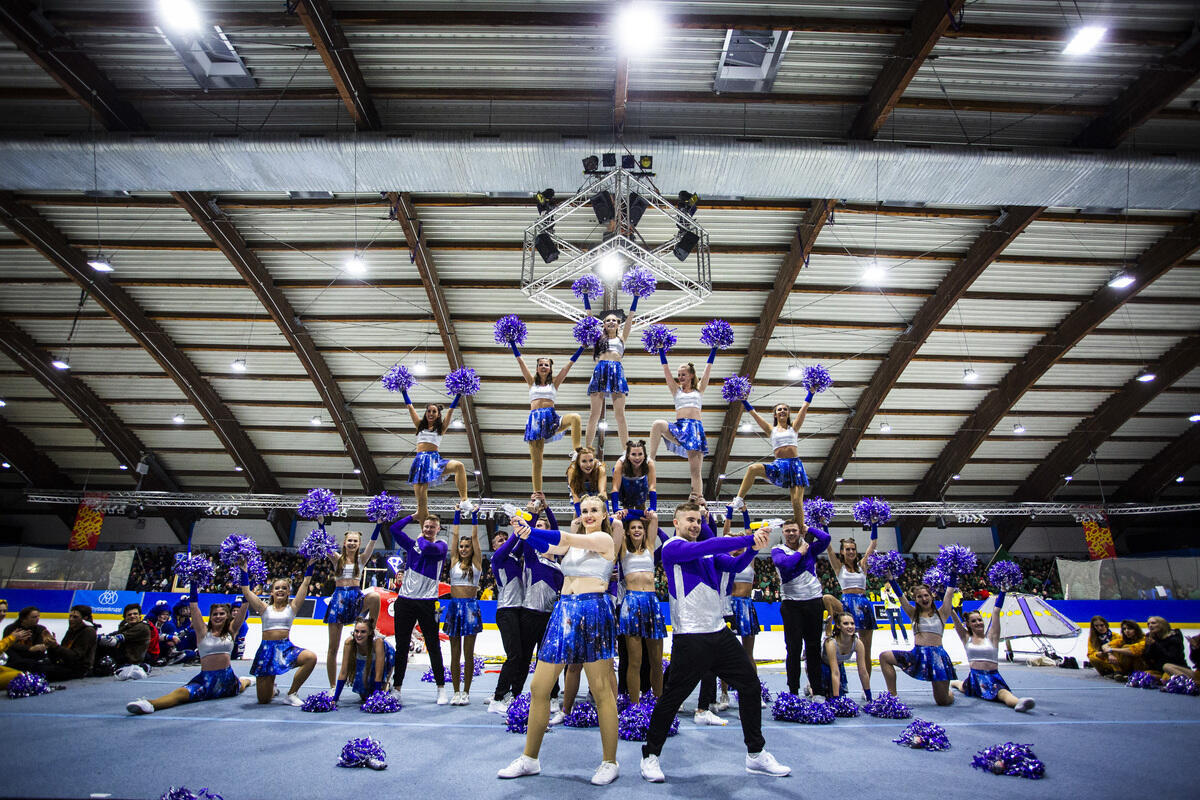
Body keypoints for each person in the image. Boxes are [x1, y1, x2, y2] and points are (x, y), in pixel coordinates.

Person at [639, 501, 788, 783]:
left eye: (698, 521)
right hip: (691, 638)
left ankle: (755, 754)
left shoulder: (709, 555)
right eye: (690, 520)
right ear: (677, 523)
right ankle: (650, 756)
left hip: (719, 633)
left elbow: (734, 563)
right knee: (672, 698)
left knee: (749, 685)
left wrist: (754, 548)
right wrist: (747, 538)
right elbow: (707, 547)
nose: (695, 525)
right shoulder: (673, 548)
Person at [498, 495, 623, 786]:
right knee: (539, 686)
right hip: (563, 611)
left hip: (593, 611)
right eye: (585, 510)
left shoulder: (605, 539)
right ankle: (530, 758)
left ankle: (610, 761)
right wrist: (525, 533)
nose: (589, 514)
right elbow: (551, 546)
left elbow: (563, 537)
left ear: (604, 514)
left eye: (595, 510)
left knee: (602, 689)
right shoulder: (573, 544)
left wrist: (531, 529)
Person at [126, 586, 251, 715]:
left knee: (241, 684)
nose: (218, 616)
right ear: (210, 616)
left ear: (227, 616)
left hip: (227, 679)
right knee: (182, 693)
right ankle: (150, 704)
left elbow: (245, 606)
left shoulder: (232, 631)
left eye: (222, 614)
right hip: (206, 680)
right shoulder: (202, 631)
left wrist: (245, 574)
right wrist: (194, 581)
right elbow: (194, 607)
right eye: (215, 614)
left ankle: (248, 680)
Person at [389, 511, 452, 705]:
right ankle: (397, 687)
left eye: (432, 527)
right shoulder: (413, 544)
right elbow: (393, 529)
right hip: (405, 600)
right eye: (425, 526)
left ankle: (441, 688)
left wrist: (418, 537)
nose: (428, 529)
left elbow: (425, 549)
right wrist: (412, 517)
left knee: (433, 645)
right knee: (402, 646)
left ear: (438, 529)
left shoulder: (441, 546)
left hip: (427, 601)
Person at [511, 340, 583, 499]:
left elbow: (568, 366)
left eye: (547, 365)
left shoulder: (554, 383)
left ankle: (577, 451)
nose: (544, 367)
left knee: (575, 418)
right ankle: (537, 494)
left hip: (551, 420)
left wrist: (582, 347)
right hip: (535, 423)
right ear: (537, 368)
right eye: (541, 365)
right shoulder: (531, 382)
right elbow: (520, 362)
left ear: (550, 369)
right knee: (537, 462)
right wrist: (512, 342)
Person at [243, 560, 319, 706]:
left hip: (285, 648)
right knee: (264, 700)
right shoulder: (264, 608)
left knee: (310, 657)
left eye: (284, 588)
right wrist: (243, 570)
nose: (280, 590)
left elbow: (305, 583)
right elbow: (246, 591)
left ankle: (291, 694)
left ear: (288, 592)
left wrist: (310, 565)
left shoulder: (292, 608)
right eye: (277, 588)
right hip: (266, 651)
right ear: (271, 592)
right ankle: (273, 689)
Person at [728, 396, 813, 525]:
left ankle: (801, 531)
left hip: (795, 465)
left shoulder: (793, 428)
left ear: (789, 413)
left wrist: (810, 393)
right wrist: (743, 400)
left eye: (785, 409)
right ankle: (739, 499)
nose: (782, 411)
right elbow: (754, 414)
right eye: (779, 409)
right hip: (779, 465)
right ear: (775, 414)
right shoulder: (770, 429)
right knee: (753, 468)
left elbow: (804, 408)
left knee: (796, 501)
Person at [772, 520, 831, 697]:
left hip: (813, 602)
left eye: (794, 530)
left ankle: (818, 691)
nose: (791, 533)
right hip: (792, 604)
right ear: (783, 533)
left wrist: (809, 528)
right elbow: (786, 565)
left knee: (813, 648)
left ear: (799, 532)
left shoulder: (810, 548)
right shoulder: (778, 549)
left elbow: (826, 539)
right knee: (793, 648)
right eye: (787, 531)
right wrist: (800, 552)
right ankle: (793, 691)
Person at [878, 580, 956, 706]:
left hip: (938, 658)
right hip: (917, 655)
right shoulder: (913, 613)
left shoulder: (942, 613)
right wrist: (891, 578)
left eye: (926, 595)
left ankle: (950, 692)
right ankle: (892, 697)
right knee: (884, 657)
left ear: (932, 596)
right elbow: (900, 597)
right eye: (919, 596)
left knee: (943, 701)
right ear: (915, 599)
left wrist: (953, 571)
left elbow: (949, 592)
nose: (923, 598)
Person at [401, 391, 477, 522]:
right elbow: (410, 407)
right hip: (419, 463)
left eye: (434, 411)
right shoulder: (419, 426)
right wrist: (404, 391)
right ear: (426, 413)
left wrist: (458, 395)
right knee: (421, 506)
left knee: (459, 466)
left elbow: (451, 411)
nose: (431, 413)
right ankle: (424, 539)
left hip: (434, 461)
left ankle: (464, 500)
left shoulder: (441, 428)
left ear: (438, 414)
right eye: (429, 411)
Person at [322, 527, 382, 687]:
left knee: (375, 597)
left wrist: (378, 524)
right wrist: (321, 522)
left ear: (359, 543)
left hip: (355, 599)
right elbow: (325, 544)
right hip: (339, 601)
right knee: (332, 648)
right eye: (350, 540)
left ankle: (372, 630)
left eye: (355, 541)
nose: (352, 543)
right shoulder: (337, 559)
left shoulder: (362, 559)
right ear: (344, 542)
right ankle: (332, 686)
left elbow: (373, 543)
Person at [949, 599, 1034, 712]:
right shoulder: (966, 638)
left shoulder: (992, 637)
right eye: (973, 621)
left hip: (991, 677)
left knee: (1002, 693)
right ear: (968, 624)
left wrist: (1002, 591)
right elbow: (952, 613)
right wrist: (946, 594)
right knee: (962, 686)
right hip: (974, 677)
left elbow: (996, 611)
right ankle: (953, 682)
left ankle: (1018, 703)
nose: (978, 622)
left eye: (980, 620)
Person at [648, 356, 714, 501]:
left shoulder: (699, 390)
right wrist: (661, 351)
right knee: (657, 424)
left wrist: (714, 349)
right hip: (679, 428)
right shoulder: (676, 391)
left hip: (695, 431)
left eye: (683, 374)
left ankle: (698, 497)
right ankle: (651, 460)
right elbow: (666, 373)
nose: (680, 377)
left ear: (691, 375)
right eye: (678, 375)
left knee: (695, 470)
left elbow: (708, 370)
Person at [617, 511, 665, 703]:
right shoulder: (623, 550)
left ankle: (659, 702)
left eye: (639, 527)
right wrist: (621, 517)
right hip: (631, 602)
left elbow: (654, 518)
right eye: (633, 528)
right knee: (634, 661)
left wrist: (645, 515)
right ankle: (635, 705)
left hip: (652, 602)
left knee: (656, 661)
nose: (637, 530)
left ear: (644, 532)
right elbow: (616, 527)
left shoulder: (650, 548)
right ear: (627, 532)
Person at [826, 532, 878, 687]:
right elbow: (828, 548)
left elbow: (873, 544)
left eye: (853, 549)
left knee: (866, 651)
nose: (850, 552)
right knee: (840, 648)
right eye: (847, 549)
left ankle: (866, 687)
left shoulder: (862, 565)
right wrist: (823, 524)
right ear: (842, 551)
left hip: (863, 605)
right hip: (847, 606)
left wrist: (874, 524)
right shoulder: (839, 567)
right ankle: (838, 684)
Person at [488, 509, 527, 714]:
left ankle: (511, 694)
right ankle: (497, 698)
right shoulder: (498, 558)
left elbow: (523, 538)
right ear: (494, 546)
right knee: (513, 656)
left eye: (504, 538)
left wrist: (533, 514)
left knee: (520, 657)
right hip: (506, 611)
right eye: (499, 540)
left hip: (519, 610)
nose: (503, 541)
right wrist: (517, 528)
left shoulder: (512, 557)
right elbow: (516, 540)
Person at [443, 510, 483, 705]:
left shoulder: (477, 563)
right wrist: (457, 513)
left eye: (467, 546)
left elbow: (475, 536)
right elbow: (454, 535)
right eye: (462, 546)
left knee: (468, 654)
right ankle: (456, 691)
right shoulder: (453, 561)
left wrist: (474, 516)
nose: (464, 548)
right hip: (453, 608)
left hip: (470, 608)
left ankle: (466, 691)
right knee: (454, 653)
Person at [585, 309, 635, 448]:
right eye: (607, 320)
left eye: (614, 320)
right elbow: (590, 319)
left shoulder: (622, 338)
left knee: (620, 415)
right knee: (594, 415)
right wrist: (585, 296)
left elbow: (630, 319)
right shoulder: (599, 338)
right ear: (604, 325)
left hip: (617, 372)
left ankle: (626, 450)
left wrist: (636, 296)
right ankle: (587, 449)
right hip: (600, 370)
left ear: (619, 324)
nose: (611, 322)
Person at [333, 617, 396, 704]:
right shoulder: (349, 643)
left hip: (387, 658)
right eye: (356, 631)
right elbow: (343, 672)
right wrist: (335, 699)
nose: (358, 635)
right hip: (364, 661)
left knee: (379, 692)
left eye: (363, 632)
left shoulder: (378, 643)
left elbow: (379, 673)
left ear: (370, 632)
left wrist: (376, 698)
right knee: (364, 696)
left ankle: (386, 685)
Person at [40, 605, 98, 682]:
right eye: (70, 616)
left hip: (79, 668)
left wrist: (56, 646)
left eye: (75, 617)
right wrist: (50, 646)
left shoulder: (88, 631)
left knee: (42, 670)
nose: (71, 619)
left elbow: (76, 656)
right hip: (65, 664)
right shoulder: (72, 629)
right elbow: (62, 652)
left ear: (85, 618)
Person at [823, 611, 871, 699]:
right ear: (838, 626)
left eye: (852, 624)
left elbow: (863, 671)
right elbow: (835, 672)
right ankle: (810, 686)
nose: (850, 626)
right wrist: (836, 699)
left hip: (839, 667)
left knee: (840, 696)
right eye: (845, 624)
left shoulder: (858, 643)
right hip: (821, 667)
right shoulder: (831, 643)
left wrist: (869, 697)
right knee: (825, 698)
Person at [96, 603, 152, 674]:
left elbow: (114, 640)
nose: (132, 616)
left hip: (131, 659)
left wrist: (99, 638)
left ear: (140, 616)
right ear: (125, 617)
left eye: (135, 614)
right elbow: (115, 634)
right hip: (124, 656)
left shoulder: (142, 627)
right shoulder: (127, 626)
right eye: (129, 614)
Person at [611, 440, 656, 520]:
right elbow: (615, 488)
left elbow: (652, 487)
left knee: (644, 513)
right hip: (625, 486)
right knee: (626, 512)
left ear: (644, 455)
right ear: (628, 455)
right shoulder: (620, 464)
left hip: (641, 485)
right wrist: (616, 509)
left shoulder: (649, 463)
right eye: (633, 454)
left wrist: (653, 508)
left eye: (640, 454)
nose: (637, 458)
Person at [0, 606, 54, 672]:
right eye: (34, 617)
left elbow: (40, 647)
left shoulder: (41, 629)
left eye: (38, 616)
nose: (37, 619)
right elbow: (8, 646)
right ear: (24, 619)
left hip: (32, 656)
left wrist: (47, 643)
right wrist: (29, 648)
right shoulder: (11, 628)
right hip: (16, 656)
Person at [567, 446, 607, 516]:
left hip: (595, 492)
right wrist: (580, 516)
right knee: (578, 519)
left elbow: (602, 492)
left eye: (591, 460)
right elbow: (575, 495)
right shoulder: (572, 471)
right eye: (584, 461)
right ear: (578, 463)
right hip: (579, 493)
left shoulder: (600, 469)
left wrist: (606, 514)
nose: (588, 465)